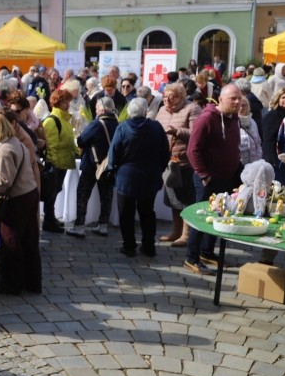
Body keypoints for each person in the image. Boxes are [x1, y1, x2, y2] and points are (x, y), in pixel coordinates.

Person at [0, 113, 41, 295]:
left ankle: (12, 285)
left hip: (17, 199)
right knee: (29, 241)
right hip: (29, 192)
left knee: (10, 241)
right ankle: (32, 283)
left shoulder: (4, 149)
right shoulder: (15, 142)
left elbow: (4, 181)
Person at [184, 84, 243, 275]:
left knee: (219, 215)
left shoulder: (234, 118)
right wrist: (204, 175)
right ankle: (191, 258)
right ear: (221, 99)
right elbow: (192, 150)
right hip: (207, 179)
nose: (237, 102)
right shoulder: (207, 118)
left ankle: (207, 252)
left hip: (226, 177)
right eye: (233, 98)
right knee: (201, 217)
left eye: (239, 98)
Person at [107, 99, 170, 258]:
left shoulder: (123, 128)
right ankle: (149, 246)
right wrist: (160, 169)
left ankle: (129, 246)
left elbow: (114, 152)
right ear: (145, 111)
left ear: (129, 111)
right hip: (150, 176)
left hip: (127, 177)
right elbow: (165, 151)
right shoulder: (156, 127)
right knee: (147, 212)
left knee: (126, 213)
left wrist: (112, 168)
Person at [154, 82, 202, 246]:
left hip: (184, 162)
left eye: (171, 97)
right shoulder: (162, 110)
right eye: (165, 96)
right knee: (173, 199)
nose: (166, 100)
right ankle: (176, 231)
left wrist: (177, 131)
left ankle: (186, 235)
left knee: (186, 200)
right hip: (168, 162)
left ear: (181, 97)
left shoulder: (192, 109)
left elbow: (197, 133)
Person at [66, 97, 118, 238]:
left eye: (96, 109)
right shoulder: (118, 124)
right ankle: (103, 225)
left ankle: (79, 226)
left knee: (82, 195)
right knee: (106, 196)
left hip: (92, 164)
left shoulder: (97, 124)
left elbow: (81, 141)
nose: (95, 111)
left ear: (102, 110)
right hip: (109, 166)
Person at [40, 88, 80, 233]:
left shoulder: (65, 119)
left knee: (56, 191)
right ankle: (49, 221)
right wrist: (54, 165)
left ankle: (51, 218)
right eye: (64, 102)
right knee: (51, 192)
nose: (67, 104)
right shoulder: (52, 120)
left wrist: (77, 152)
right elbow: (51, 146)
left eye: (68, 101)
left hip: (63, 162)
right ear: (57, 102)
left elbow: (69, 139)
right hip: (56, 164)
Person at [262, 88, 285, 172]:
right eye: (283, 97)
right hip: (274, 160)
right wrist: (273, 160)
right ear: (278, 99)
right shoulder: (272, 116)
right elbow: (268, 140)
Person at [238, 96, 262, 167]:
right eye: (239, 105)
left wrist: (258, 159)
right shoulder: (232, 122)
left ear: (248, 107)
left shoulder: (252, 122)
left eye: (243, 105)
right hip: (238, 165)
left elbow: (258, 143)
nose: (241, 108)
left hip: (253, 164)